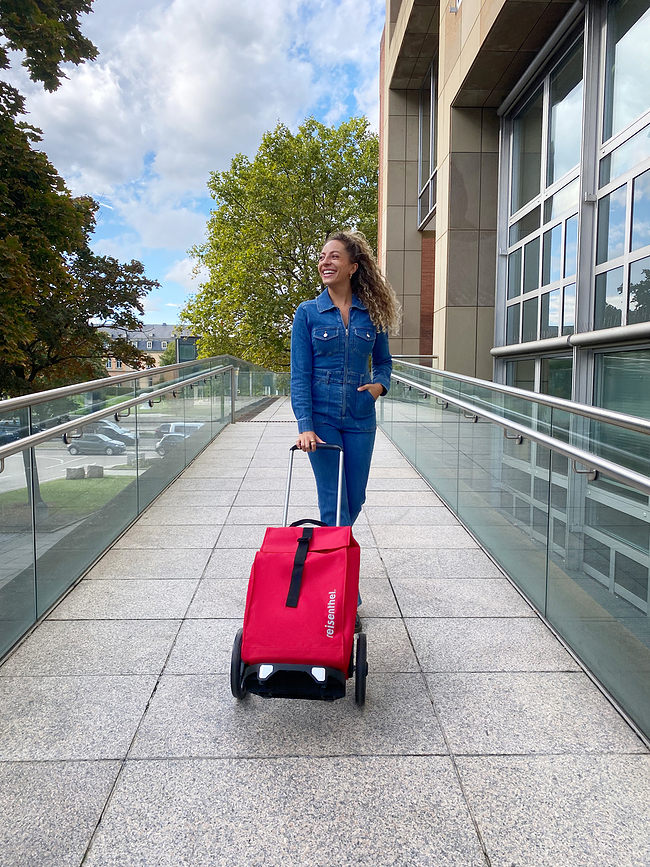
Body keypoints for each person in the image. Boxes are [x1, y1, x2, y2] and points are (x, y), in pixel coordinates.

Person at [290, 230, 401, 530]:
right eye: (322, 257)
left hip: (360, 417)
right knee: (333, 500)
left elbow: (383, 361)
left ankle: (333, 549)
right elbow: (299, 375)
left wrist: (379, 386)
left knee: (355, 498)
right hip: (322, 418)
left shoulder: (373, 313)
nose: (325, 262)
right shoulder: (308, 313)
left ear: (353, 267)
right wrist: (305, 426)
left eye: (334, 256)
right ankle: (336, 558)